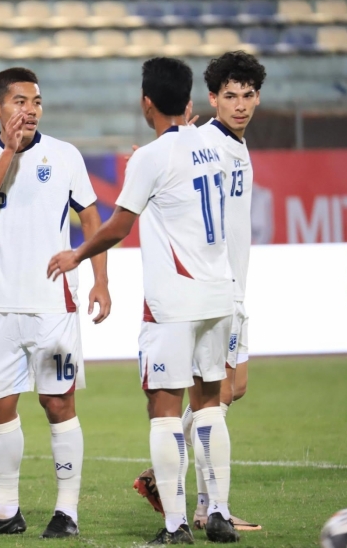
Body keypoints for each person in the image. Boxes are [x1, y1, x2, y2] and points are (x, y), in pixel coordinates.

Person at [48, 57, 239, 545]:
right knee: (211, 402)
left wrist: (77, 254)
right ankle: (217, 512)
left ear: (146, 102)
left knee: (164, 407)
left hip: (173, 300)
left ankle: (175, 525)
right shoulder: (213, 144)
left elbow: (118, 225)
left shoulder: (150, 158)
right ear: (191, 101)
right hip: (219, 293)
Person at [0, 67, 111, 539]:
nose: (31, 110)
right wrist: (9, 152)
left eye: (36, 102)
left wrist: (100, 279)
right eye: (20, 102)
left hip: (51, 304)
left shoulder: (65, 155)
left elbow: (90, 216)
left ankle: (67, 512)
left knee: (58, 403)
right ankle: (5, 511)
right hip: (1, 305)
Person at [133, 51, 267, 534]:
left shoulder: (236, 144)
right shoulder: (206, 141)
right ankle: (207, 506)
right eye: (229, 96)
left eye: (248, 95)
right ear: (211, 100)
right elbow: (168, 158)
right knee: (217, 393)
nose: (240, 105)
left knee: (232, 389)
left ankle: (202, 501)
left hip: (231, 287)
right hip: (208, 290)